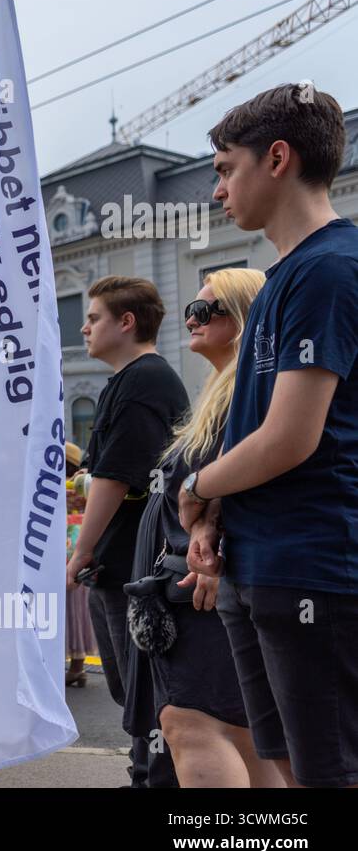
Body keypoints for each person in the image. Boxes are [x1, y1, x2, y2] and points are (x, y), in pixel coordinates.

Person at [180, 84, 358, 788]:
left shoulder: (328, 270)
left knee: (328, 772)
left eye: (226, 168)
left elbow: (290, 438)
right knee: (284, 767)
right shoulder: (287, 276)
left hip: (310, 564)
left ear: (277, 158)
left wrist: (198, 485)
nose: (218, 189)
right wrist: (217, 512)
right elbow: (261, 432)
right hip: (263, 563)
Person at [124, 268, 284, 788]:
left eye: (203, 310)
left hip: (204, 593)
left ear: (242, 319)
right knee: (244, 734)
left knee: (194, 726)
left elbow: (262, 473)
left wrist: (218, 549)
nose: (189, 319)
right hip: (210, 589)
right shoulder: (236, 390)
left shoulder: (246, 393)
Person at [66, 276, 189, 787]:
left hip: (134, 568)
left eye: (93, 317)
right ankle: (144, 771)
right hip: (115, 564)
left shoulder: (145, 381)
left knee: (145, 689)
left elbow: (117, 477)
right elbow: (104, 474)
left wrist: (81, 550)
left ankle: (154, 779)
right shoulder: (128, 380)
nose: (84, 326)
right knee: (127, 685)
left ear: (126, 322)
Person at [63, 442, 95, 688]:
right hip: (83, 554)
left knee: (63, 613)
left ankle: (68, 667)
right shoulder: (87, 485)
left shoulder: (60, 488)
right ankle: (78, 667)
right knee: (80, 613)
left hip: (63, 556)